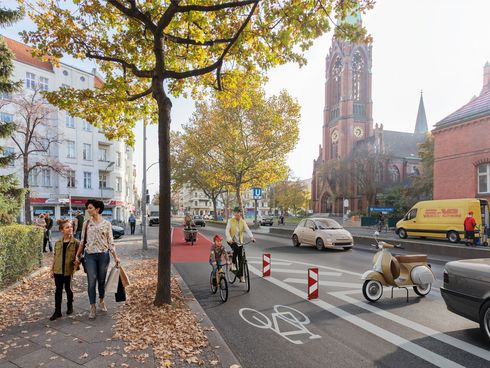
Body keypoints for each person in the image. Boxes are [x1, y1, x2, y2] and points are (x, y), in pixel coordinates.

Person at [74, 199, 121, 320]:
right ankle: (92, 307)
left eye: (90, 208)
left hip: (103, 256)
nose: (88, 210)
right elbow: (82, 241)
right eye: (87, 208)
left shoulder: (106, 224)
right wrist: (77, 256)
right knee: (91, 282)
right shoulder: (86, 223)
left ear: (97, 209)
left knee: (101, 281)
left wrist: (116, 257)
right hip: (90, 256)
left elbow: (111, 242)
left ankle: (101, 300)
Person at [49, 219, 79, 321]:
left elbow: (79, 256)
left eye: (71, 227)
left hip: (68, 270)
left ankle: (70, 305)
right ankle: (57, 311)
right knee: (58, 290)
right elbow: (55, 257)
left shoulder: (76, 243)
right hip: (58, 270)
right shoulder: (57, 243)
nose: (70, 229)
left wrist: (77, 262)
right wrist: (52, 269)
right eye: (67, 227)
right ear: (62, 230)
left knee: (68, 289)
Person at [225, 207, 255, 283]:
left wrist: (252, 237)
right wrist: (229, 238)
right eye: (236, 213)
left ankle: (241, 276)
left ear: (240, 213)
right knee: (236, 249)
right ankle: (233, 264)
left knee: (241, 259)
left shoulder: (242, 221)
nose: (237, 214)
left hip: (240, 242)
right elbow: (227, 231)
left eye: (238, 212)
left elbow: (247, 229)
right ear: (234, 213)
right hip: (231, 240)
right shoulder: (230, 221)